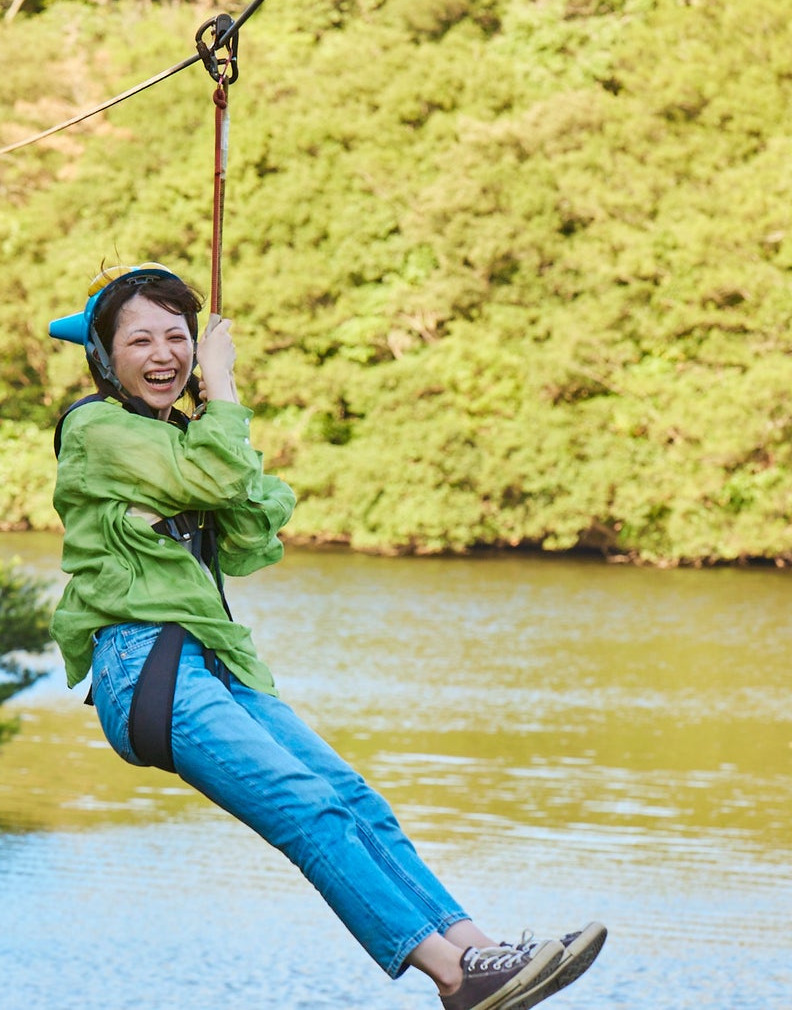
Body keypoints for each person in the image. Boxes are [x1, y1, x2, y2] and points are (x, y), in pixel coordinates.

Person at [47, 263, 606, 1010]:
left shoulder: (181, 441)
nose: (164, 353)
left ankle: (480, 949)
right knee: (305, 807)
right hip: (144, 664)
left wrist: (215, 413)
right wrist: (225, 393)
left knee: (353, 798)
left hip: (212, 661)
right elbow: (217, 480)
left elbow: (248, 530)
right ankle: (453, 975)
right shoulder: (95, 427)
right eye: (139, 338)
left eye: (180, 337)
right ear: (104, 359)